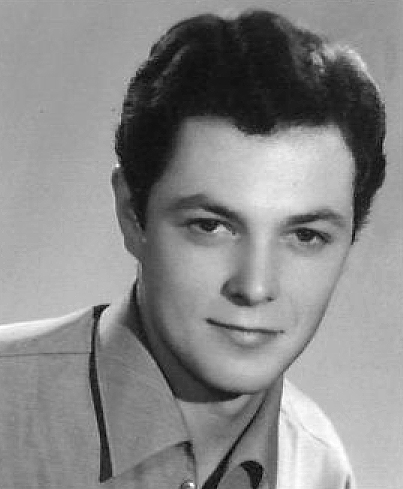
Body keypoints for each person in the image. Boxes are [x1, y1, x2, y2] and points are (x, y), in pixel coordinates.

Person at [0, 9, 386, 489]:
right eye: (211, 226)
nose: (254, 287)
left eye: (306, 236)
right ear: (131, 214)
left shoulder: (319, 468)